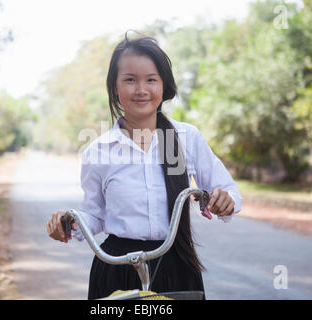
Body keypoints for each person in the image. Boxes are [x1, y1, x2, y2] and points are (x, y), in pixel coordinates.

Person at [47, 33, 242, 300]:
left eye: (151, 79)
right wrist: (69, 222)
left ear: (163, 85)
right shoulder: (99, 151)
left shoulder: (186, 139)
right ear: (115, 87)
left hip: (176, 267)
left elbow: (228, 190)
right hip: (115, 270)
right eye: (130, 80)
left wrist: (225, 200)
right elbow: (95, 214)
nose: (141, 89)